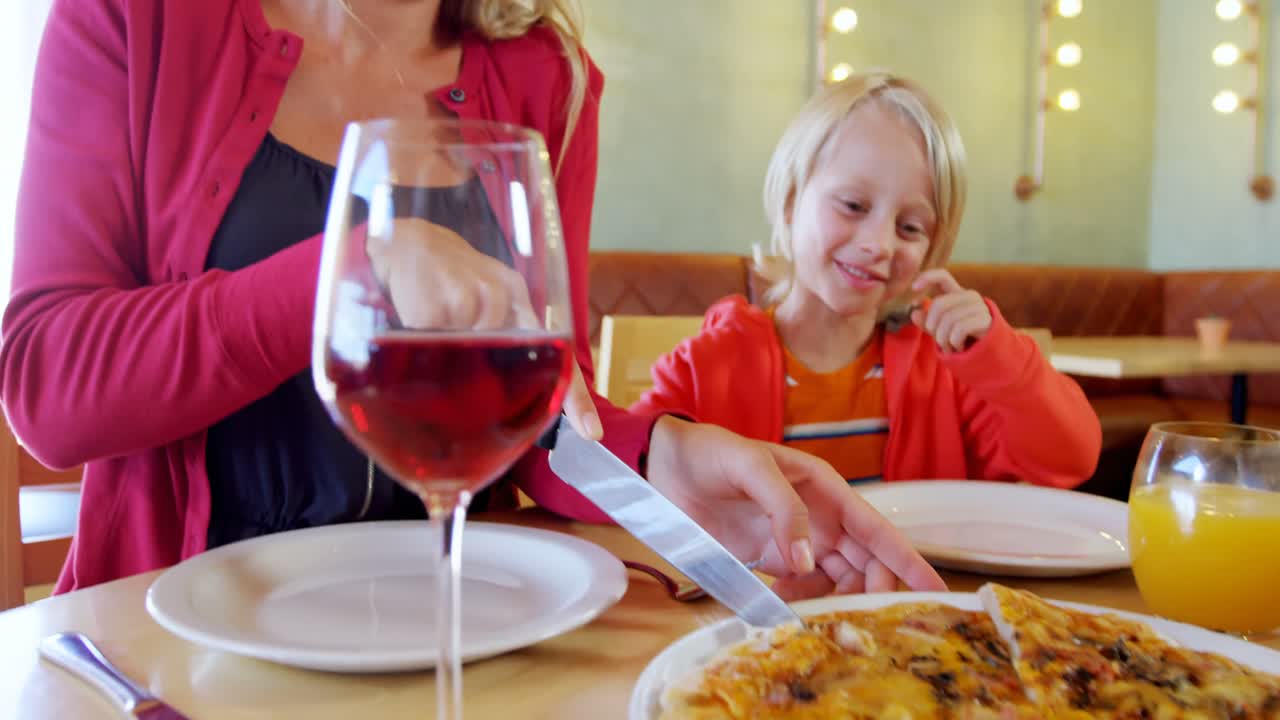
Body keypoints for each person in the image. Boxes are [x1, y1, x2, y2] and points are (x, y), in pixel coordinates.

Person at [2, 0, 944, 599]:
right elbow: (48, 386)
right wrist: (351, 272)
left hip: (471, 626)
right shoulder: (134, 19)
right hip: (184, 652)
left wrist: (660, 464)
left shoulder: (547, 75)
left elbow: (535, 407)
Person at [634, 71, 1102, 490]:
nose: (879, 244)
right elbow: (614, 480)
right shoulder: (706, 366)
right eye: (853, 206)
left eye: (910, 227)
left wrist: (997, 356)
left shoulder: (948, 376)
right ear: (792, 202)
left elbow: (1071, 458)